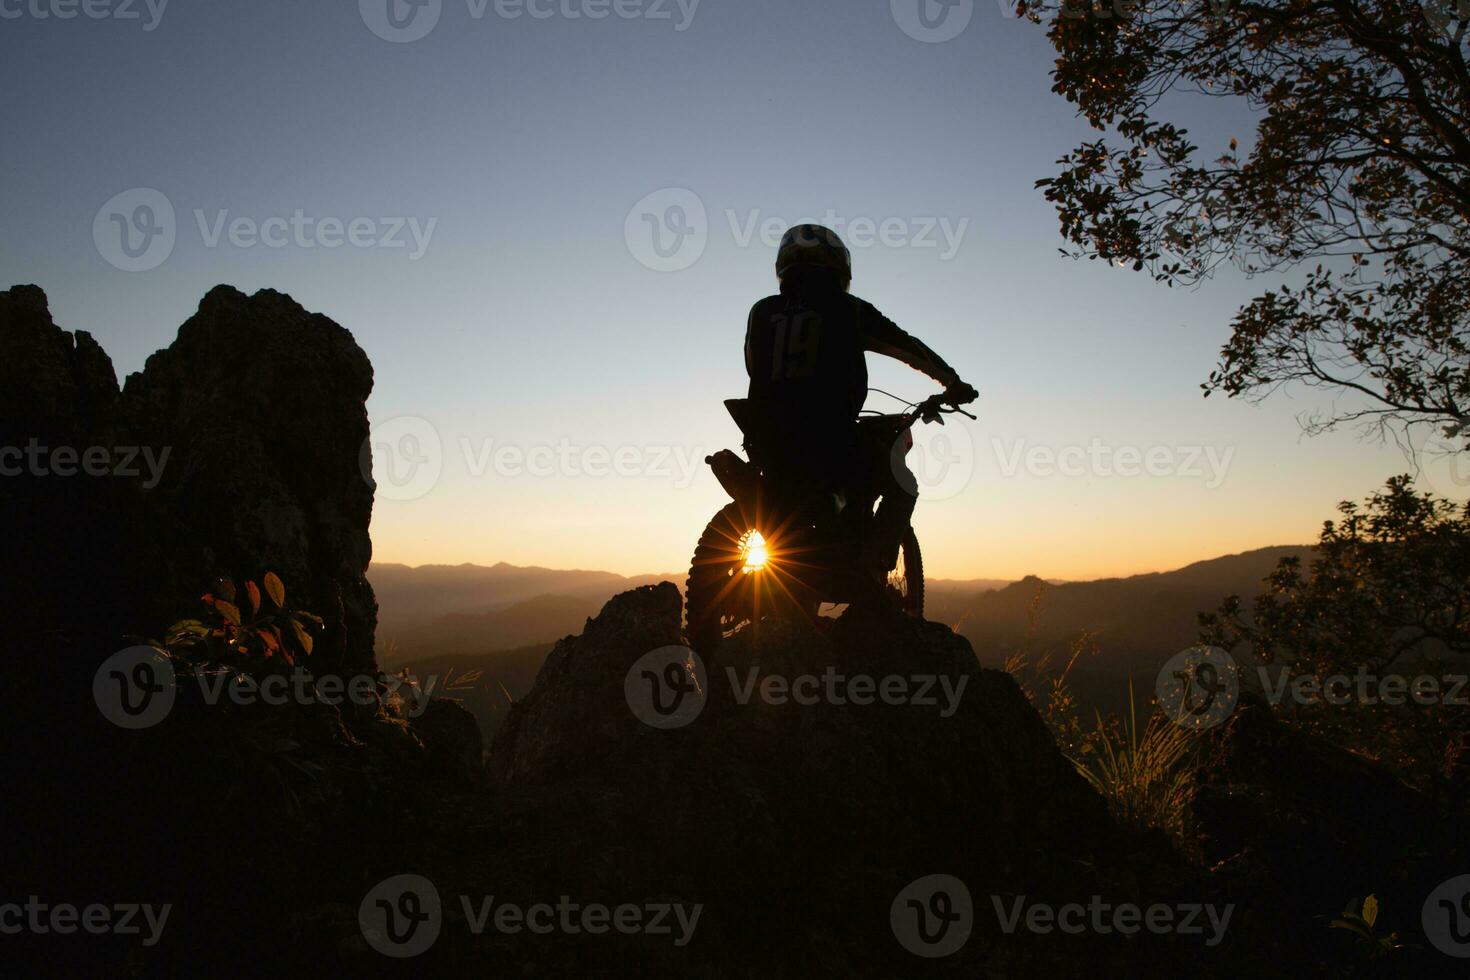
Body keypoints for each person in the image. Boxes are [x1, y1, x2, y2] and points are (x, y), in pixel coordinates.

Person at [742, 223, 978, 580]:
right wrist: (951, 381)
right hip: (830, 435)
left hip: (765, 441)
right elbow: (906, 346)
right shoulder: (848, 309)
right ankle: (867, 574)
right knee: (902, 484)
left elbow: (752, 364)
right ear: (839, 265)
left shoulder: (761, 311)